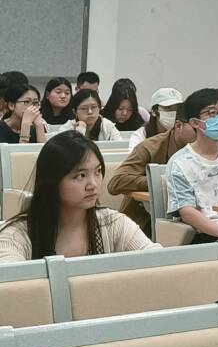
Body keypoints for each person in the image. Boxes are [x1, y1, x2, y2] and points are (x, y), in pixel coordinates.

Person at [0, 132, 158, 262]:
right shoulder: (16, 235)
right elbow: (12, 281)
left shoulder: (113, 223)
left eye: (98, 172)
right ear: (52, 181)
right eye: (80, 175)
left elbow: (159, 263)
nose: (93, 184)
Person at [164, 88, 218, 285]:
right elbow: (187, 211)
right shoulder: (180, 163)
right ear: (195, 123)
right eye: (212, 113)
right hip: (208, 233)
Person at [108, 102, 199, 233]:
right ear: (178, 125)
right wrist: (157, 182)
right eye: (196, 127)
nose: (203, 132)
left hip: (201, 216)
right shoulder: (150, 147)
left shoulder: (213, 148)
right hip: (145, 222)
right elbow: (115, 182)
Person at [48, 89, 121, 142]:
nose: (90, 112)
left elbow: (121, 146)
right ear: (75, 112)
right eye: (84, 108)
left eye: (93, 107)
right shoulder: (67, 128)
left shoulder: (108, 126)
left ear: (99, 108)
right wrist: (79, 132)